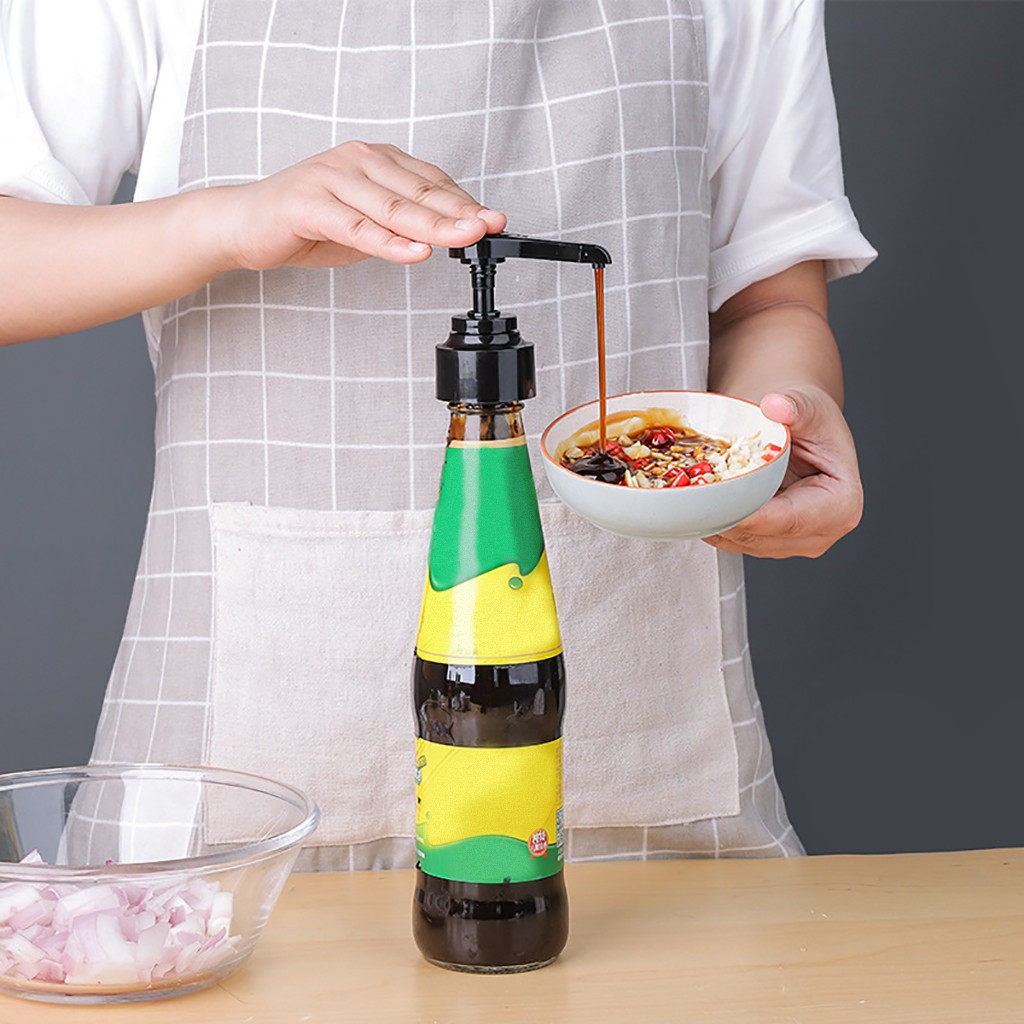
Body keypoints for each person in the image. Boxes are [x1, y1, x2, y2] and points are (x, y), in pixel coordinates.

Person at [0, 0, 874, 868]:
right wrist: (224, 221)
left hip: (648, 753)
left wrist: (771, 430)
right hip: (231, 793)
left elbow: (772, 300)